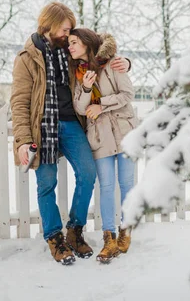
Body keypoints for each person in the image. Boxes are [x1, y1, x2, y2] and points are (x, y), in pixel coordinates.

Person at [10, 2, 130, 265]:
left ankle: (75, 231)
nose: (68, 34)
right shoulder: (26, 59)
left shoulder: (70, 51)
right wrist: (23, 140)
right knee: (47, 183)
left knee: (87, 174)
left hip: (72, 122)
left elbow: (99, 46)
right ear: (49, 26)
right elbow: (19, 102)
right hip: (43, 128)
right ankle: (54, 238)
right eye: (64, 29)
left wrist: (123, 60)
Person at [68, 28, 138, 264]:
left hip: (124, 131)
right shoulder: (79, 73)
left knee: (127, 183)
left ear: (87, 44)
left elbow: (128, 93)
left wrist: (101, 105)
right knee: (106, 186)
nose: (70, 47)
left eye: (74, 42)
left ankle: (126, 231)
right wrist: (87, 90)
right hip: (99, 137)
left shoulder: (112, 65)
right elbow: (79, 108)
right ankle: (109, 238)